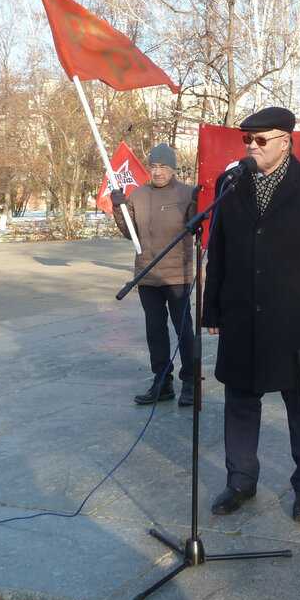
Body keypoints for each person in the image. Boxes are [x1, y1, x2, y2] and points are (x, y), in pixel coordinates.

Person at [202, 106, 300, 523]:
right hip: (241, 314)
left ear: (285, 142)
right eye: (247, 139)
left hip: (295, 317)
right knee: (239, 400)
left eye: (261, 139)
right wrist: (212, 307)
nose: (252, 146)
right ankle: (240, 481)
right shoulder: (231, 182)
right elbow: (219, 249)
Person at [110, 143, 198, 407]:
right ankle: (162, 381)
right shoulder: (138, 195)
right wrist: (118, 209)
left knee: (184, 329)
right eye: (153, 167)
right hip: (147, 274)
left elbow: (198, 229)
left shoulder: (187, 193)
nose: (158, 172)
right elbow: (131, 234)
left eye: (163, 167)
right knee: (155, 330)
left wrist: (199, 205)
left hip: (177, 275)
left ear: (173, 169)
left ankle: (190, 381)